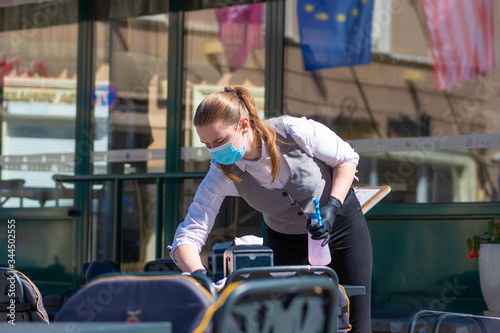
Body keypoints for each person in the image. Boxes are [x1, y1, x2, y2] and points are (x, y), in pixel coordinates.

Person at [170, 85, 372, 333]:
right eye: (207, 144)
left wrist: (332, 207)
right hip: (285, 241)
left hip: (340, 229)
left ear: (244, 125)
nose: (215, 151)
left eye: (220, 141)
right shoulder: (222, 173)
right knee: (292, 323)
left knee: (356, 321)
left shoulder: (293, 131)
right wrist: (200, 274)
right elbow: (188, 234)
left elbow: (347, 159)